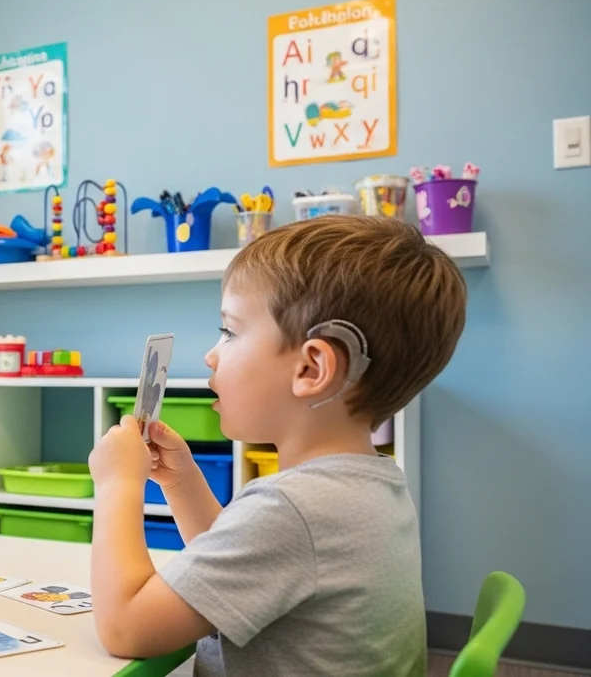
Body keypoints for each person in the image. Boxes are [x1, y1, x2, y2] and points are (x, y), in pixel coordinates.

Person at [88, 215, 467, 675]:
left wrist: (116, 486)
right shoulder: (369, 485)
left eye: (229, 332)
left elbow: (127, 629)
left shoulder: (294, 508)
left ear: (311, 369)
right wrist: (183, 481)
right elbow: (245, 565)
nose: (211, 354)